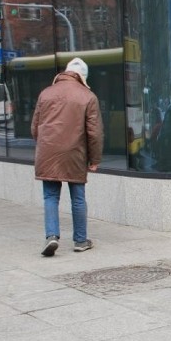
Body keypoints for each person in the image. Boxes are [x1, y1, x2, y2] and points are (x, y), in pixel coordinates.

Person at [31, 57, 104, 256]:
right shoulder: (88, 96)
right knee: (78, 198)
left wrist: (45, 145)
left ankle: (52, 236)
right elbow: (94, 133)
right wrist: (95, 159)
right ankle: (80, 240)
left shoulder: (45, 93)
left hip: (48, 152)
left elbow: (34, 127)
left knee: (50, 196)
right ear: (83, 77)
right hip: (75, 153)